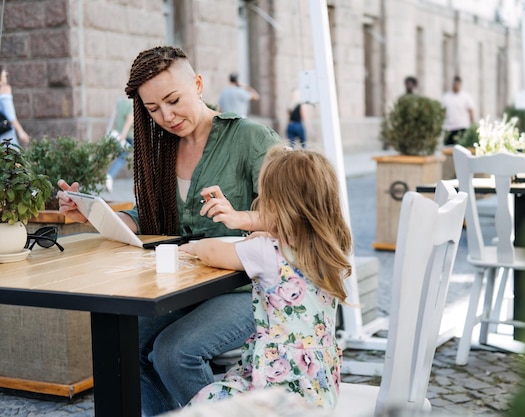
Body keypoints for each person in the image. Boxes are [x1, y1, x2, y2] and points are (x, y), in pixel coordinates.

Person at [56, 46, 282, 416]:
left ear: (197, 84)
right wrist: (94, 215)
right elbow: (150, 217)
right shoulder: (160, 150)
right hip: (182, 287)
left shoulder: (252, 139)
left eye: (173, 100)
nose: (167, 116)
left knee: (175, 353)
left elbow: (293, 215)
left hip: (248, 287)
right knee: (123, 349)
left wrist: (239, 216)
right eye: (153, 109)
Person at [180, 146, 352, 409]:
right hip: (318, 383)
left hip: (276, 386)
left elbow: (214, 252)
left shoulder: (268, 252)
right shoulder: (330, 248)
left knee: (206, 402)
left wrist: (192, 247)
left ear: (279, 207)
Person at [105, 95, 134, 192]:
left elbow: (116, 118)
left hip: (119, 135)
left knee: (119, 157)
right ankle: (109, 176)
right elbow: (129, 120)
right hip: (128, 137)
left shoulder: (120, 102)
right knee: (122, 159)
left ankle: (108, 176)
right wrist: (123, 135)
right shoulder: (131, 103)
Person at [0, 66, 29, 147]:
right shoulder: (4, 89)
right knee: (11, 157)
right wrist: (21, 131)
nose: (6, 75)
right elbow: (10, 114)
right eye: (4, 74)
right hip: (5, 133)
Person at [442, 75, 475, 146]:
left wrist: (472, 125)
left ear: (460, 84)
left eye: (457, 84)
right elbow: (442, 112)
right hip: (449, 128)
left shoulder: (466, 97)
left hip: (462, 127)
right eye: (454, 84)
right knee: (448, 149)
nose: (455, 86)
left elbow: (471, 111)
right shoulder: (446, 97)